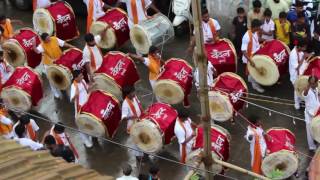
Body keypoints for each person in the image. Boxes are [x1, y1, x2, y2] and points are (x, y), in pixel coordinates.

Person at [33, 33, 74, 99]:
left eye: (49, 37)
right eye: (47, 39)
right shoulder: (42, 45)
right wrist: (34, 45)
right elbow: (37, 51)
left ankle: (64, 85)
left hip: (59, 61)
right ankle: (55, 92)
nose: (49, 39)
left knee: (64, 73)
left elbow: (63, 43)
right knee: (52, 79)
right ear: (43, 40)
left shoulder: (54, 38)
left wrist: (71, 46)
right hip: (49, 64)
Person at [70, 70, 93, 148]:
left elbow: (87, 90)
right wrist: (75, 95)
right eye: (80, 76)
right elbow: (71, 100)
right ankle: (85, 140)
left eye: (82, 75)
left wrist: (91, 86)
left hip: (87, 105)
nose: (82, 77)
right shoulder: (73, 86)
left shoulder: (82, 81)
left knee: (88, 121)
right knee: (80, 124)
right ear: (76, 78)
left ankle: (89, 135)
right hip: (80, 108)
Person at [241, 19, 265, 93]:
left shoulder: (255, 32)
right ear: (255, 27)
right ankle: (255, 86)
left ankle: (250, 78)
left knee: (252, 71)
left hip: (255, 54)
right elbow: (243, 50)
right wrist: (250, 60)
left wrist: (265, 41)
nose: (260, 28)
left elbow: (257, 40)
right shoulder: (246, 36)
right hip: (250, 57)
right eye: (259, 27)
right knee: (255, 71)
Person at [289, 37, 309, 110]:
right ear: (299, 46)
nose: (305, 48)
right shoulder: (293, 54)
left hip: (300, 72)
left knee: (301, 87)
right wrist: (304, 57)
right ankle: (296, 103)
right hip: (295, 75)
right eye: (304, 47)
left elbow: (301, 61)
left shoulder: (300, 51)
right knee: (297, 89)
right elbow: (297, 67)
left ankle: (300, 100)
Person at [302, 76, 319, 152]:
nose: (313, 84)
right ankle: (312, 147)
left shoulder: (316, 89)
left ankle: (317, 140)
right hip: (310, 114)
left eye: (314, 83)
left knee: (316, 128)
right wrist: (308, 86)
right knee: (310, 131)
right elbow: (304, 94)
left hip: (316, 112)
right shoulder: (307, 91)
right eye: (311, 83)